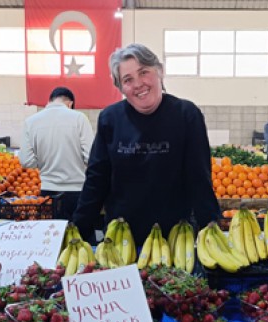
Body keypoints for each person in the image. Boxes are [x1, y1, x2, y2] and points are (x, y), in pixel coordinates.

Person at [72, 43, 220, 244]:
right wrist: (77, 232)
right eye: (128, 79)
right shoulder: (111, 118)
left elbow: (199, 178)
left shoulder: (186, 115)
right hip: (121, 236)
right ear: (121, 88)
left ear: (159, 71)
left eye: (144, 72)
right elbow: (96, 179)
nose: (138, 84)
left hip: (175, 236)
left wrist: (212, 231)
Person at [19, 87, 94, 220]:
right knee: (79, 238)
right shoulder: (79, 118)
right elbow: (91, 157)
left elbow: (26, 161)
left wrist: (43, 162)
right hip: (77, 192)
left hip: (48, 191)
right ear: (70, 104)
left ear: (50, 101)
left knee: (51, 237)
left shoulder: (30, 122)